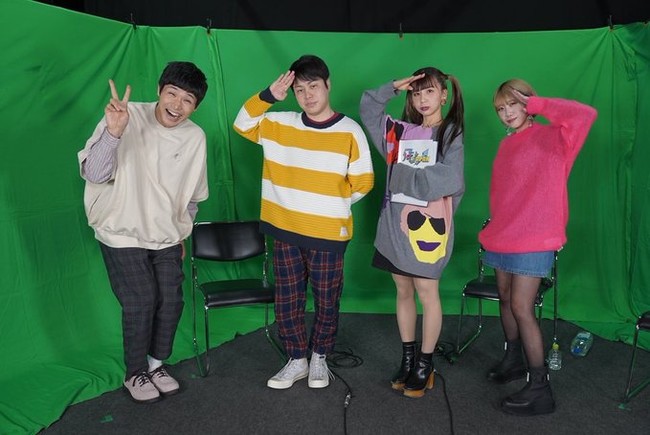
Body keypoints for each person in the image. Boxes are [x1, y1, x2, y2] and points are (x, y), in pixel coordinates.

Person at [233, 54, 374, 390]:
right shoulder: (278, 123)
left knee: (326, 298)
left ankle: (319, 357)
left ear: (328, 85)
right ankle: (296, 358)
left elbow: (363, 182)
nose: (308, 95)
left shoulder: (350, 131)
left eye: (313, 86)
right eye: (299, 89)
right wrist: (269, 95)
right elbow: (242, 123)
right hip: (285, 229)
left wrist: (328, 203)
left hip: (328, 233)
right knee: (287, 299)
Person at [78, 61, 209, 403]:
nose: (177, 105)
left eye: (188, 100)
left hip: (166, 234)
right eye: (172, 94)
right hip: (121, 228)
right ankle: (134, 373)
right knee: (141, 299)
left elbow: (191, 196)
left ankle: (155, 365)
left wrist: (181, 235)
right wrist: (114, 133)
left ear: (195, 107)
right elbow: (94, 174)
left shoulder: (195, 137)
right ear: (159, 90)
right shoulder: (126, 115)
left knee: (171, 301)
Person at [479, 79, 597, 415]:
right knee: (505, 299)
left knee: (521, 307)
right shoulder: (506, 145)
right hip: (503, 235)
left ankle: (540, 388)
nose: (507, 113)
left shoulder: (556, 136)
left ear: (527, 103)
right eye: (500, 109)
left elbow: (585, 114)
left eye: (513, 104)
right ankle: (513, 359)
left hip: (535, 238)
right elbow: (502, 194)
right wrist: (494, 228)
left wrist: (540, 104)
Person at [359, 67, 465, 398]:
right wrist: (394, 86)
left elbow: (451, 179)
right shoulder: (401, 133)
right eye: (416, 93)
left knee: (427, 291)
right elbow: (368, 109)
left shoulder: (450, 133)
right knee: (403, 289)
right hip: (395, 225)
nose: (422, 99)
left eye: (429, 91)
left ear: (443, 95)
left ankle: (425, 364)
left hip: (428, 228)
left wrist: (402, 176)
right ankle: (408, 358)